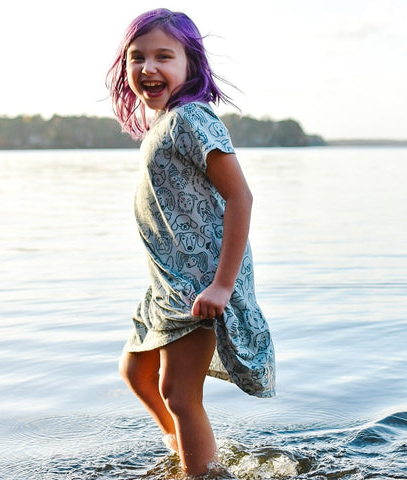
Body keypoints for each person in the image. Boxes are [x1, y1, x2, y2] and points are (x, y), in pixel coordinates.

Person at [106, 8, 275, 476]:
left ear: (191, 65)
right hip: (165, 281)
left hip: (198, 281)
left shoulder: (193, 118)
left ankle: (203, 471)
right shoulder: (164, 124)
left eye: (164, 56)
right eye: (136, 58)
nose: (148, 68)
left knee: (180, 394)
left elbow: (240, 196)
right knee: (136, 373)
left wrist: (221, 286)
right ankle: (187, 454)